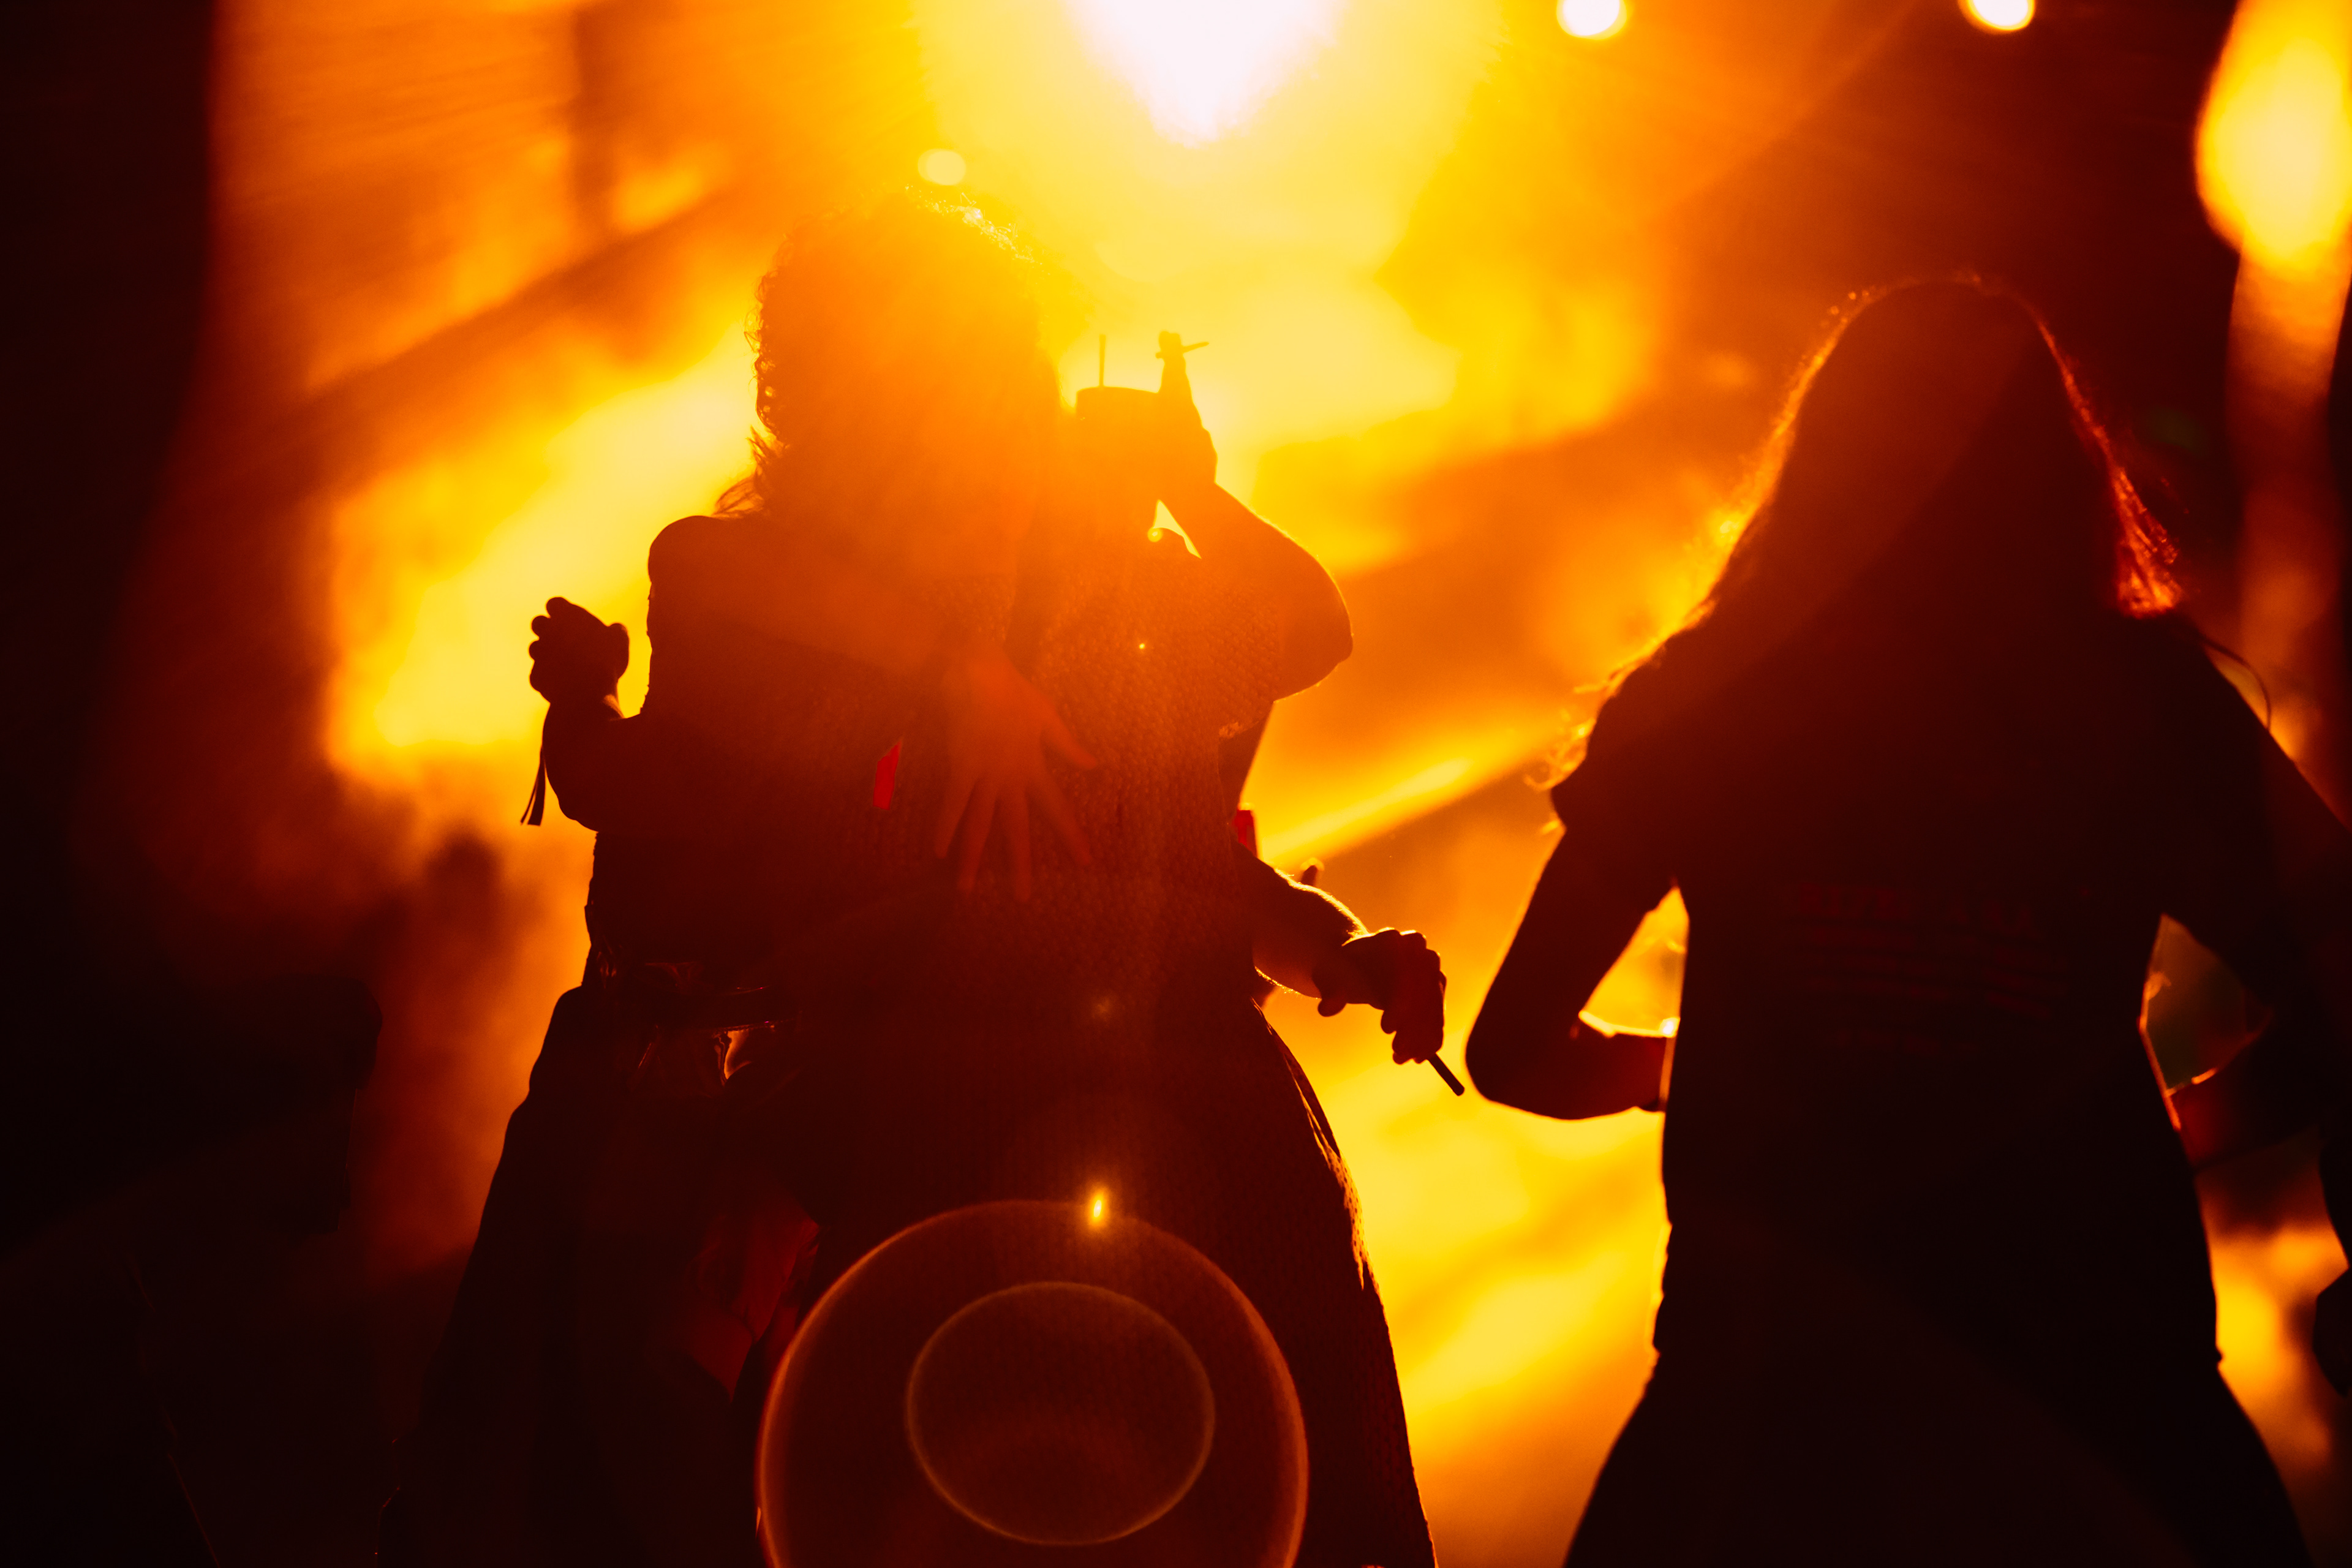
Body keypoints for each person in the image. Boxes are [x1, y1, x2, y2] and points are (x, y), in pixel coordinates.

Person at [392, 191, 1442, 1568]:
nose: (1002, 417)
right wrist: (950, 674)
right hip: (903, 1141)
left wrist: (1339, 949)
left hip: (1164, 1141)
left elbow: (1220, 803)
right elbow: (686, 706)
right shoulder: (776, 593)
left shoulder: (1108, 603)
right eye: (956, 377)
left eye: (1007, 373)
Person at [1467, 278, 2352, 1566]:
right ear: (2055, 468)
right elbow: (2342, 970)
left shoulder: (1710, 697)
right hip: (2103, 1381)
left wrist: (1700, 1066)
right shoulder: (2148, 706)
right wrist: (2185, 1122)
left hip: (1767, 1391)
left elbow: (1512, 1052)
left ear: (1827, 463)